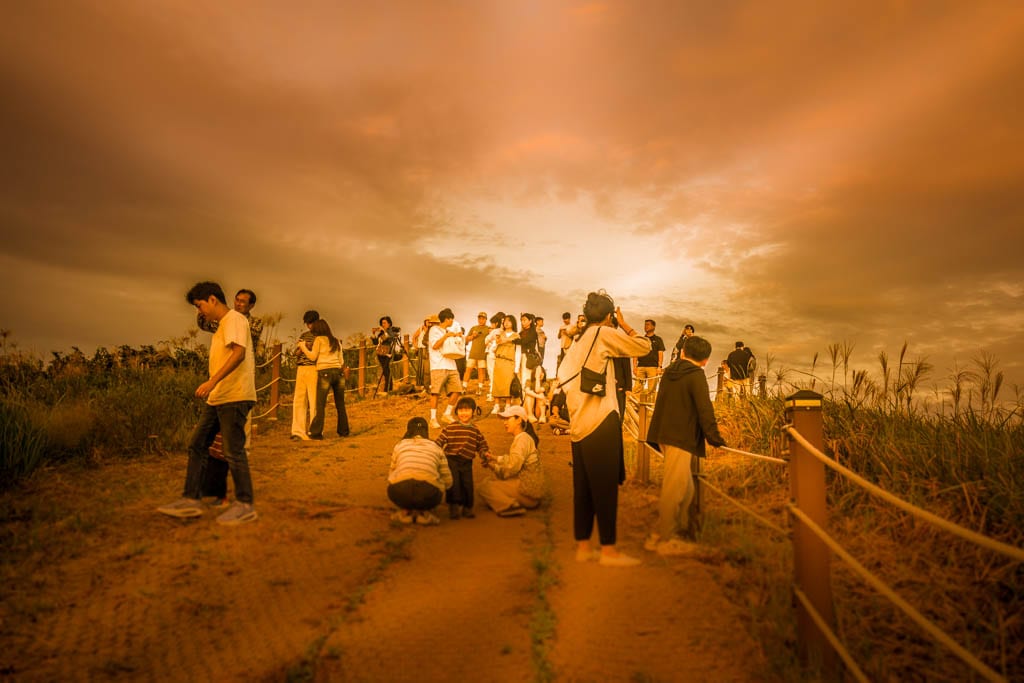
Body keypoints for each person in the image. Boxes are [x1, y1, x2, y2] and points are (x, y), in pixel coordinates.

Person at [556, 291, 651, 567]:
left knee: (583, 489)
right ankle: (609, 551)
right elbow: (643, 346)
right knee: (606, 489)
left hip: (579, 425)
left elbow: (563, 377)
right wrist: (625, 324)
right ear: (609, 316)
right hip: (601, 420)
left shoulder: (580, 340)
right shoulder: (604, 334)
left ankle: (584, 547)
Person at [158, 281, 258, 525]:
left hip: (234, 395)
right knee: (197, 445)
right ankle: (190, 500)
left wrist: (212, 381)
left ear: (213, 299)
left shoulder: (235, 319)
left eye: (199, 305)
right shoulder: (223, 324)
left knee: (233, 451)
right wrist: (214, 387)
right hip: (219, 397)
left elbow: (239, 353)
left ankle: (245, 504)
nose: (199, 311)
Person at [643, 336, 726, 555]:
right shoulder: (696, 375)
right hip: (680, 437)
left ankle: (675, 531)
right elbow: (704, 408)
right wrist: (714, 437)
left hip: (663, 433)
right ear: (706, 360)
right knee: (674, 489)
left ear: (682, 352)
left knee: (687, 489)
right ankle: (665, 538)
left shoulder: (669, 372)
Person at [478, 405, 546, 517]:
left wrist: (495, 459)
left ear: (519, 420)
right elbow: (510, 469)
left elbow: (512, 466)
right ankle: (511, 503)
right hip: (531, 492)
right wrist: (492, 464)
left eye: (508, 419)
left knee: (485, 487)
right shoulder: (524, 438)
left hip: (528, 493)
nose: (505, 423)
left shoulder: (522, 439)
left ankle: (510, 505)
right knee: (490, 482)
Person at [387, 417, 452, 526]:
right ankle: (424, 513)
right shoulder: (436, 447)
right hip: (428, 492)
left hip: (400, 492)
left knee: (399, 486)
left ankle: (405, 511)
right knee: (433, 487)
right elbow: (448, 480)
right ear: (426, 431)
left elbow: (391, 474)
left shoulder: (400, 445)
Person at [435, 396, 490, 519]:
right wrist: (434, 452)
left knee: (467, 485)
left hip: (467, 462)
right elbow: (439, 441)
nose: (463, 413)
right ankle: (453, 508)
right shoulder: (450, 427)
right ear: (456, 412)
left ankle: (467, 508)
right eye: (461, 410)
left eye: (467, 410)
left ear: (473, 412)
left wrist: (484, 453)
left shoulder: (475, 430)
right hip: (451, 460)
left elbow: (482, 444)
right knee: (453, 484)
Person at [297, 319, 350, 439]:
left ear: (318, 329)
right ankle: (344, 431)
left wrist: (303, 346)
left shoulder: (319, 340)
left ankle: (316, 433)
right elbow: (341, 361)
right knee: (340, 404)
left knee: (320, 404)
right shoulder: (336, 341)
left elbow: (312, 357)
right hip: (338, 373)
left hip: (325, 373)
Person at [427, 308, 464, 428]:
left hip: (451, 364)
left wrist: (457, 337)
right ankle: (433, 419)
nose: (452, 321)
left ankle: (447, 414)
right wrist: (446, 336)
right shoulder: (434, 329)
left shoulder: (448, 331)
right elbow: (435, 345)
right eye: (451, 319)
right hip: (438, 365)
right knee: (435, 392)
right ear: (447, 319)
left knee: (457, 390)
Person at [291, 310, 320, 441]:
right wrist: (301, 347)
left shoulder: (320, 336)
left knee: (314, 400)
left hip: (314, 368)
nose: (309, 326)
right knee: (299, 399)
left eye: (311, 323)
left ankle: (314, 430)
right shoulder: (304, 335)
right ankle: (297, 431)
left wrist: (308, 346)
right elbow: (296, 353)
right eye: (307, 323)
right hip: (301, 367)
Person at [490, 314, 519, 415]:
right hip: (499, 360)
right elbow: (493, 349)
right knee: (496, 383)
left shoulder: (516, 335)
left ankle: (507, 405)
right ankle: (496, 405)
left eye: (509, 321)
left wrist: (516, 367)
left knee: (508, 384)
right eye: (505, 321)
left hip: (510, 361)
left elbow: (518, 351)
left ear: (513, 323)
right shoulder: (499, 334)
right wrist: (496, 342)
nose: (506, 323)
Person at [516, 313, 543, 422]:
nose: (523, 322)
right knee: (523, 383)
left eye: (525, 320)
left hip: (528, 359)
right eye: (522, 320)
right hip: (522, 358)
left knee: (527, 383)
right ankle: (527, 410)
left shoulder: (532, 332)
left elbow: (524, 341)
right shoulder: (521, 333)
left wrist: (513, 339)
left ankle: (529, 412)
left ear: (530, 321)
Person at [633, 319, 665, 401]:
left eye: (648, 324)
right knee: (637, 389)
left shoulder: (658, 339)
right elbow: (635, 353)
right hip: (641, 367)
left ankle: (649, 407)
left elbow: (660, 353)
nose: (646, 326)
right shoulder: (642, 339)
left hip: (653, 367)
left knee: (651, 390)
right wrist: (634, 367)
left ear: (653, 327)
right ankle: (635, 405)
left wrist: (659, 367)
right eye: (645, 325)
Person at [371, 315, 400, 395]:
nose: (383, 324)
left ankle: (387, 390)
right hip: (381, 353)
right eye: (382, 323)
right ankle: (388, 389)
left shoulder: (391, 331)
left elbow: (390, 338)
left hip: (387, 353)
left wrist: (384, 331)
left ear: (389, 323)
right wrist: (373, 334)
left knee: (386, 371)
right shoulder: (381, 333)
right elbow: (376, 343)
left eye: (384, 323)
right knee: (385, 371)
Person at [463, 311, 491, 393]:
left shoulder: (488, 329)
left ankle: (480, 388)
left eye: (483, 318)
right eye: (479, 318)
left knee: (481, 371)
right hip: (472, 353)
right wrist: (473, 336)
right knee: (468, 370)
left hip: (483, 354)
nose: (481, 320)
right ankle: (464, 387)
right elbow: (466, 340)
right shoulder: (473, 328)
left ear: (486, 319)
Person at [483, 312, 505, 402]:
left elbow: (486, 341)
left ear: (496, 323)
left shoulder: (495, 331)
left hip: (492, 354)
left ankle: (492, 394)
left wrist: (490, 343)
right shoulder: (505, 331)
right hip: (502, 355)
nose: (491, 325)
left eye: (492, 323)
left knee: (492, 375)